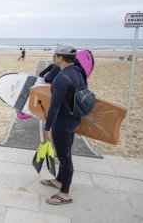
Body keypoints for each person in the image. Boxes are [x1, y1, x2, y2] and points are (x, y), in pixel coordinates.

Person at [41, 43, 86, 205]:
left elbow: (54, 106)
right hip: (74, 119)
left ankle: (65, 193)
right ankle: (59, 180)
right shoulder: (78, 72)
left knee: (64, 157)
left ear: (60, 58)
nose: (54, 58)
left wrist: (47, 128)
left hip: (63, 122)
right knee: (65, 152)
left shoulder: (61, 78)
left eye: (55, 56)